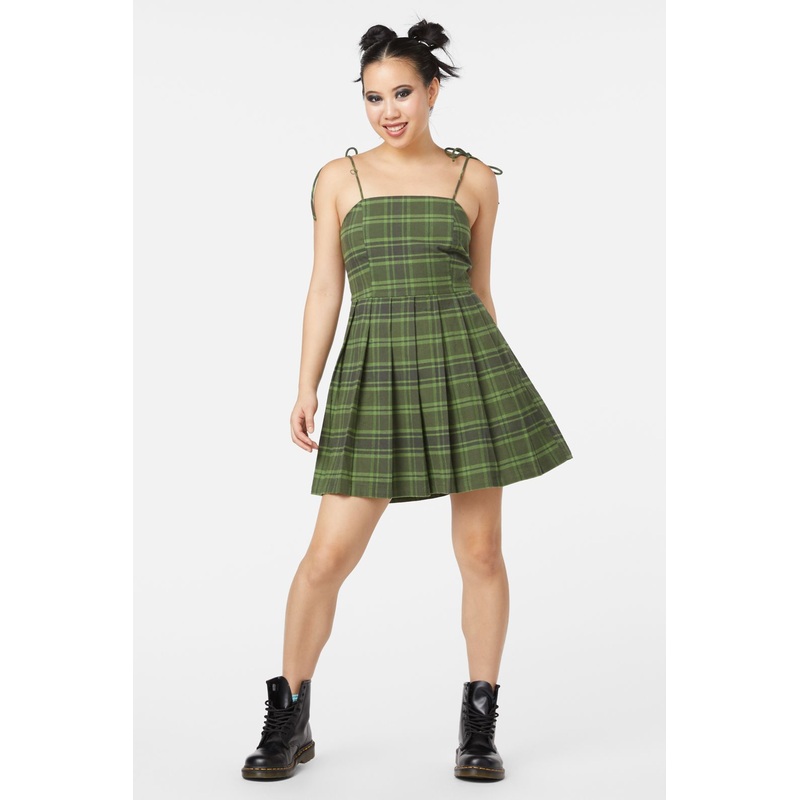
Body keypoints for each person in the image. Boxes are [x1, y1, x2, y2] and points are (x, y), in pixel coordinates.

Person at [241, 19, 573, 783]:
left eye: (401, 93)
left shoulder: (474, 178)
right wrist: (306, 384)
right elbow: (325, 289)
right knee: (327, 557)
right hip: (374, 371)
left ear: (432, 91)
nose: (387, 110)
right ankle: (289, 716)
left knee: (481, 553)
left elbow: (481, 291)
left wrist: (492, 390)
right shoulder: (339, 178)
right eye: (373, 97)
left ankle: (479, 725)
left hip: (466, 366)